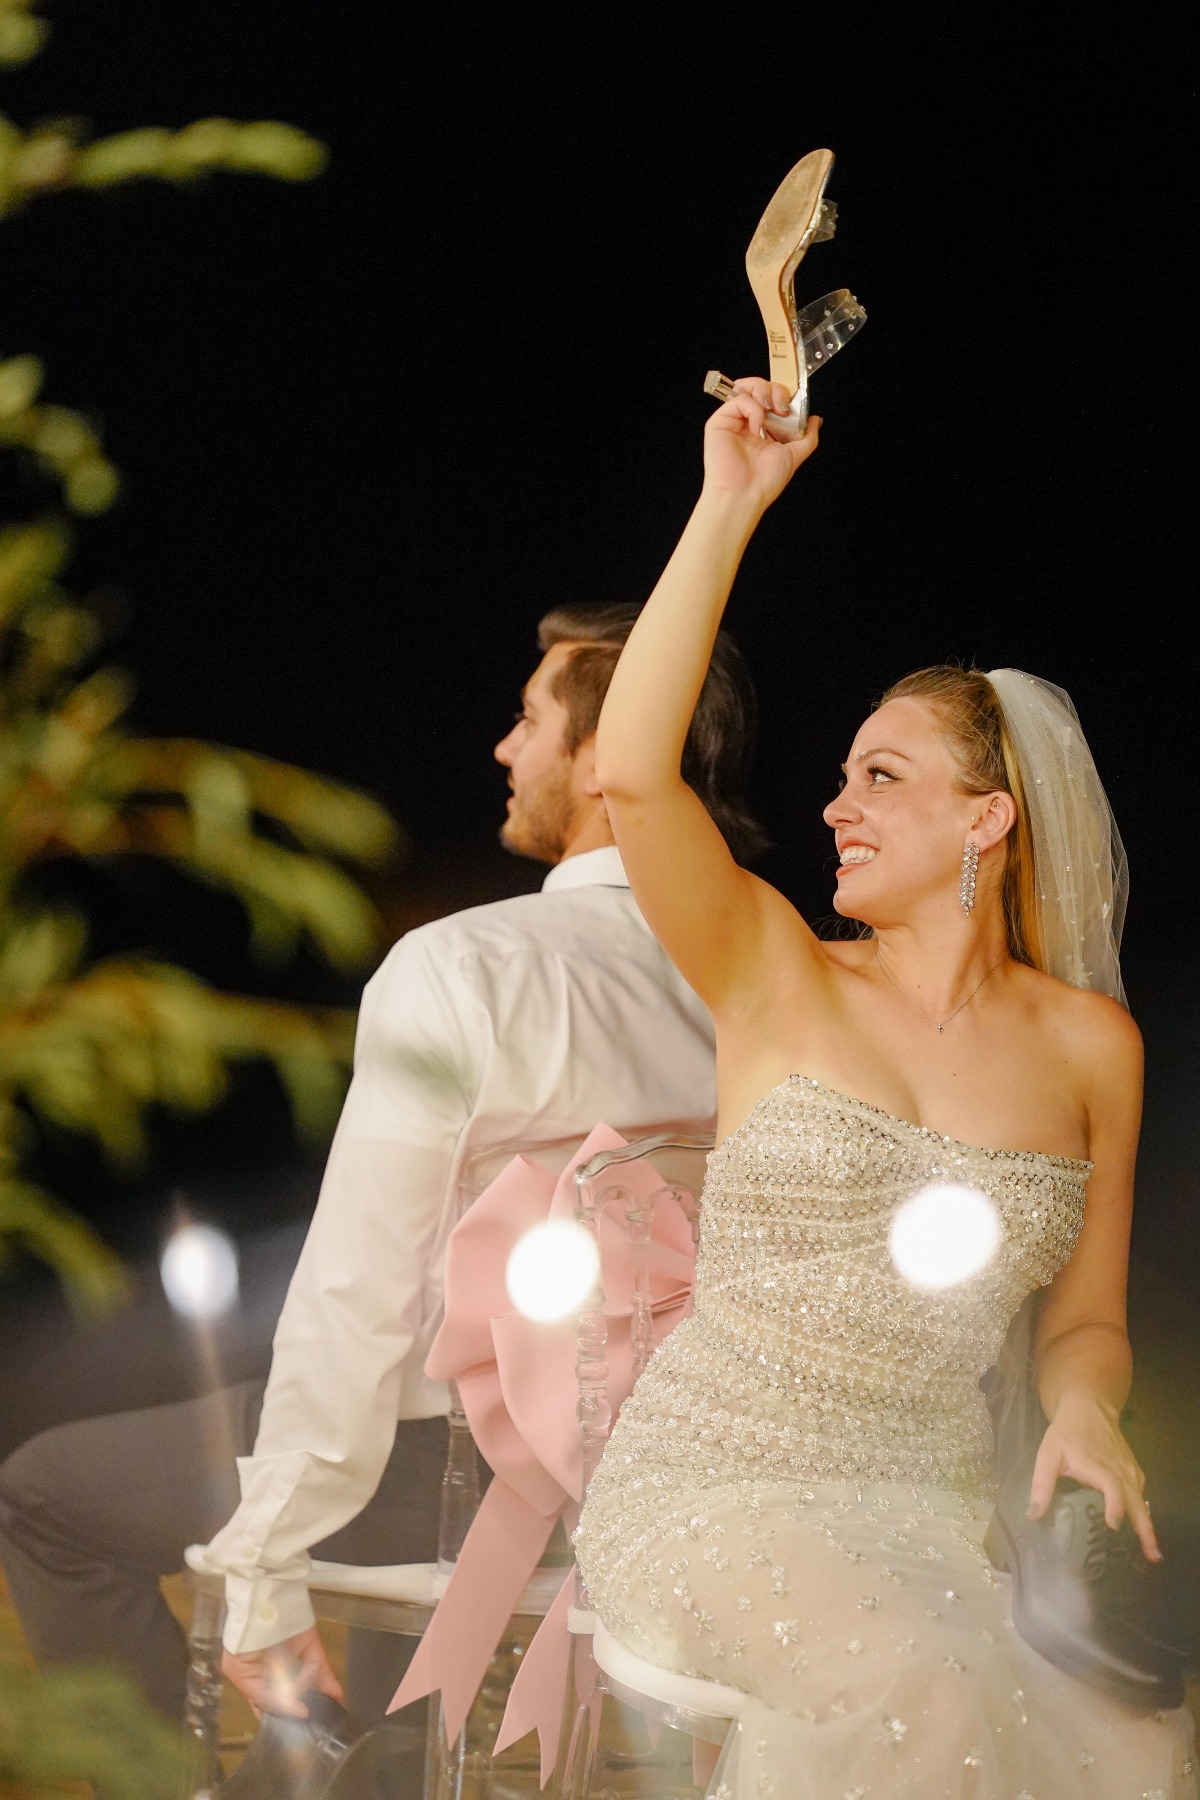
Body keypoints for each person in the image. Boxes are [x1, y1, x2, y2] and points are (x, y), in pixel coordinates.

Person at [572, 381, 1199, 1797]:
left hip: (929, 1510)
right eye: (843, 775)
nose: (834, 805)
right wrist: (729, 501)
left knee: (1138, 1737)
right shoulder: (774, 969)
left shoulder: (1096, 1048)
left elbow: (1084, 1321)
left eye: (882, 775)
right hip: (716, 1489)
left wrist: (1090, 1406)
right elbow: (630, 768)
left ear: (988, 820)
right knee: (919, 1686)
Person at [0, 604, 764, 1726]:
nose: (506, 750)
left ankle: (212, 1774)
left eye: (529, 720)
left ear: (605, 759)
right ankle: (337, 1766)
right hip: (675, 1480)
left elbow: (360, 1293)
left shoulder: (468, 967)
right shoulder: (770, 983)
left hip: (450, 1468)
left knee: (43, 1496)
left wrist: (270, 1558)